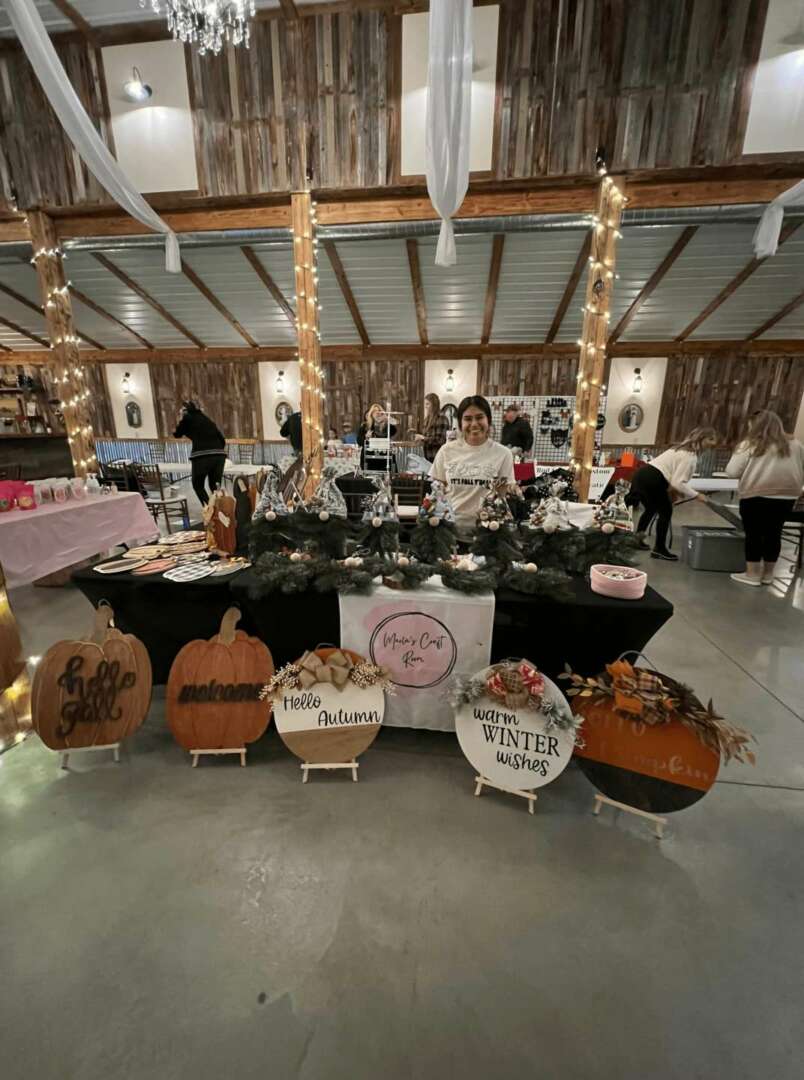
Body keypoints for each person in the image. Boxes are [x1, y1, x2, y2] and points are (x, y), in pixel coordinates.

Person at [725, 410, 804, 586]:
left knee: (754, 534)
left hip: (756, 494)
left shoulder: (749, 444)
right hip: (786, 496)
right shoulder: (796, 445)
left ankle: (752, 574)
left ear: (755, 425)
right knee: (774, 534)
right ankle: (768, 575)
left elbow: (732, 472)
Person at [627, 427, 717, 561]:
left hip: (642, 475)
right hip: (653, 479)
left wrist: (678, 491)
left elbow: (672, 478)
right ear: (701, 438)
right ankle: (659, 549)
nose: (714, 443)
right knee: (666, 511)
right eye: (711, 439)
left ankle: (637, 539)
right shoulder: (689, 456)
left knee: (651, 508)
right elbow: (677, 482)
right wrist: (697, 495)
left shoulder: (678, 449)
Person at [430, 395, 515, 534]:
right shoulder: (446, 451)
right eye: (468, 419)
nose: (474, 424)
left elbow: (501, 496)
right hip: (449, 531)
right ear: (460, 423)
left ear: (488, 420)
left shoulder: (503, 454)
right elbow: (437, 494)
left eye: (479, 417)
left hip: (488, 533)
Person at [173, 400, 227, 507]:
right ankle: (221, 510)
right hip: (219, 455)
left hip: (202, 456)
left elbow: (177, 434)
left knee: (198, 485)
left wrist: (181, 418)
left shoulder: (187, 418)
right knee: (215, 486)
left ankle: (209, 510)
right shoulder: (206, 419)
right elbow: (222, 440)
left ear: (185, 411)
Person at [358, 403, 397, 471]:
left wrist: (386, 420)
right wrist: (366, 437)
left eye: (379, 411)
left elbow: (393, 431)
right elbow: (359, 441)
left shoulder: (387, 425)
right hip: (370, 459)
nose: (377, 413)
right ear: (371, 414)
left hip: (385, 459)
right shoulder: (365, 426)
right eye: (374, 411)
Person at [412, 393, 449, 462]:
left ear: (434, 405)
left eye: (427, 404)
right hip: (428, 458)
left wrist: (423, 438)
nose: (425, 407)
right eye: (425, 404)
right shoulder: (427, 419)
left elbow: (440, 440)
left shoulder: (442, 418)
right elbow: (427, 436)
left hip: (437, 458)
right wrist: (417, 434)